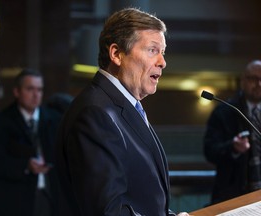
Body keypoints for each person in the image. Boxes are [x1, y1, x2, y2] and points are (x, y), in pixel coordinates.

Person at [56, 7, 189, 216]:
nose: (163, 62)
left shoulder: (123, 106)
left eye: (163, 52)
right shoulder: (95, 113)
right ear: (116, 54)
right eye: (152, 50)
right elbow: (109, 211)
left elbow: (141, 199)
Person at [0, 68, 62, 216]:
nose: (36, 95)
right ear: (17, 92)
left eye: (39, 89)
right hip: (15, 199)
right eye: (30, 89)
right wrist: (26, 166)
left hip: (49, 196)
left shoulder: (54, 119)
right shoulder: (0, 122)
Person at [204, 60, 261, 204]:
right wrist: (233, 147)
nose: (259, 84)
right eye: (254, 79)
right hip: (234, 196)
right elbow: (209, 151)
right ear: (243, 81)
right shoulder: (225, 111)